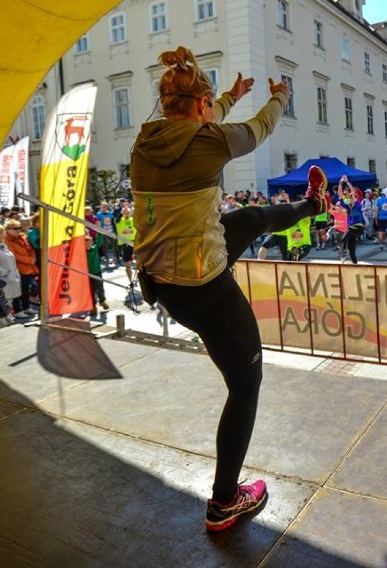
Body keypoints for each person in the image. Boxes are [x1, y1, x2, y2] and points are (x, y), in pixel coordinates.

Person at [129, 46, 327, 533]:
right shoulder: (209, 142)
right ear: (200, 106)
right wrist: (281, 95)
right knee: (246, 383)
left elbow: (203, 122)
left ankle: (312, 206)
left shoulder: (146, 141)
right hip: (202, 285)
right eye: (212, 104)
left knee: (254, 218)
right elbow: (260, 129)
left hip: (162, 275)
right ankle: (224, 501)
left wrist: (232, 97)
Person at [3, 218, 39, 317]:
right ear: (8, 229)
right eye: (15, 228)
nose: (18, 230)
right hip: (17, 268)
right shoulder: (6, 240)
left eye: (19, 228)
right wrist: (29, 260)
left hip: (28, 267)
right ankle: (18, 310)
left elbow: (30, 249)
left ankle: (26, 307)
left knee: (26, 288)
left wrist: (32, 258)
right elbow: (13, 255)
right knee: (17, 290)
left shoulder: (23, 237)